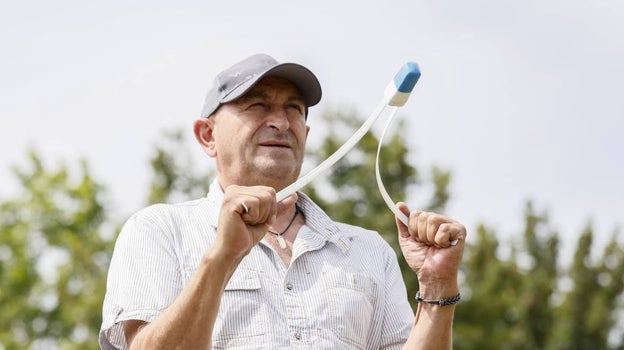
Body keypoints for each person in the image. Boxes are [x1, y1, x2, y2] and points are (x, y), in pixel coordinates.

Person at [99, 53, 466, 350]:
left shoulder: (368, 250)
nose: (280, 122)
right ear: (207, 135)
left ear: (305, 134)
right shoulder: (159, 231)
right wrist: (222, 257)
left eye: (293, 108)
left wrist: (437, 286)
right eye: (257, 105)